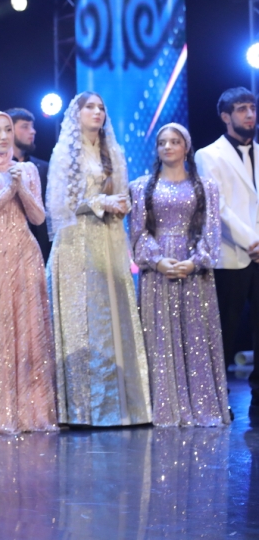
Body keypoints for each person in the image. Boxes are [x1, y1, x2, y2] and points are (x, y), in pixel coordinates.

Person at [46, 92, 151, 427]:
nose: (97, 112)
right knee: (84, 320)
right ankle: (85, 409)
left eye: (101, 107)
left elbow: (121, 193)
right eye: (89, 107)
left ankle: (123, 408)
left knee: (113, 316)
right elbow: (60, 207)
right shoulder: (65, 152)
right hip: (76, 243)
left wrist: (121, 204)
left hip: (108, 239)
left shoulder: (113, 151)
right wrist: (101, 202)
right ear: (75, 115)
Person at [130, 123, 229, 427]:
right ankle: (164, 407)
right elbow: (138, 231)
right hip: (158, 271)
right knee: (159, 337)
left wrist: (194, 262)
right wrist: (157, 261)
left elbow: (211, 230)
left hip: (193, 272)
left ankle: (201, 404)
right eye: (162, 142)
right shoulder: (141, 187)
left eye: (174, 141)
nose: (168, 147)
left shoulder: (206, 187)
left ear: (186, 147)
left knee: (195, 336)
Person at [0, 111, 57, 434]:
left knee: (28, 329)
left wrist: (21, 186)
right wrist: (8, 189)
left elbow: (38, 217)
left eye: (7, 130)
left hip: (24, 253)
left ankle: (32, 411)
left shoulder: (27, 169)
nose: (4, 136)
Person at [194, 86, 259, 423]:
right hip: (231, 254)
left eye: (252, 108)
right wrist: (253, 242)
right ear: (225, 116)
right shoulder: (209, 155)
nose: (250, 114)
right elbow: (218, 208)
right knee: (226, 329)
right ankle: (217, 399)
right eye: (242, 109)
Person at [6, 107, 51, 262]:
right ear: (9, 130)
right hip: (6, 244)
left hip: (38, 246)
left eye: (32, 126)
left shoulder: (43, 168)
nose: (32, 131)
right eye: (25, 127)